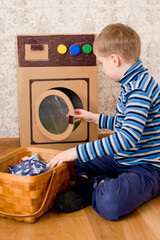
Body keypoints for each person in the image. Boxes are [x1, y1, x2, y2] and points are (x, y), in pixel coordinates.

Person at [47, 23, 160, 220]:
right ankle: (94, 184)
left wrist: (73, 151)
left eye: (102, 63)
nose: (102, 68)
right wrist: (93, 117)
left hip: (146, 167)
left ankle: (94, 188)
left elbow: (127, 138)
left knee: (111, 201)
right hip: (123, 158)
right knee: (80, 158)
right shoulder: (133, 83)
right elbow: (126, 123)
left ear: (114, 60)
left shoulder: (139, 90)